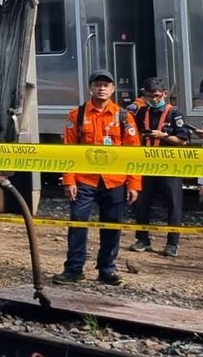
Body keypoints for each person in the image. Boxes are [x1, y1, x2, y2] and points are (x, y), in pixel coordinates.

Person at [53, 70, 141, 286]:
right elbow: (69, 150)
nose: (102, 88)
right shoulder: (77, 115)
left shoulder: (123, 116)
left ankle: (107, 270)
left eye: (106, 85)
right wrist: (69, 180)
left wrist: (134, 183)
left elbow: (134, 152)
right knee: (77, 224)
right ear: (90, 87)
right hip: (84, 181)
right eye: (98, 84)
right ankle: (74, 269)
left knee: (112, 226)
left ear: (113, 89)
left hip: (115, 182)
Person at [130, 77, 191, 257]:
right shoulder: (141, 113)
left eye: (157, 96)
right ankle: (142, 239)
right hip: (147, 165)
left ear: (164, 94)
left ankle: (172, 243)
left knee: (173, 204)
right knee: (142, 203)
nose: (154, 100)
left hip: (169, 166)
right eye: (149, 96)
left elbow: (182, 140)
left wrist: (162, 136)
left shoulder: (175, 114)